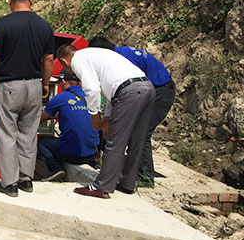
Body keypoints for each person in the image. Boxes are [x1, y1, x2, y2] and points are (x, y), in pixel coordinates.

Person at [0, 0, 54, 198]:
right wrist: (45, 84)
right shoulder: (44, 26)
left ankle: (9, 183)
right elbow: (48, 60)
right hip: (34, 85)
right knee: (28, 134)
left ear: (9, 1)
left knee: (8, 133)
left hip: (9, 87)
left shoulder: (3, 25)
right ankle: (26, 179)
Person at [56, 44, 154, 198]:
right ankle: (127, 183)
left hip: (128, 92)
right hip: (146, 87)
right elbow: (111, 91)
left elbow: (92, 89)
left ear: (63, 61)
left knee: (115, 141)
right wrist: (107, 117)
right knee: (137, 140)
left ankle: (100, 187)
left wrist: (94, 115)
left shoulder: (77, 60)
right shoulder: (96, 55)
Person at [88, 36, 175, 188]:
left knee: (142, 133)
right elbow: (115, 92)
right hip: (150, 90)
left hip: (160, 91)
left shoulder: (120, 59)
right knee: (131, 131)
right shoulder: (121, 54)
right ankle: (127, 173)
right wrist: (108, 117)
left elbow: (121, 90)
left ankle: (145, 177)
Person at [38, 69, 100, 181]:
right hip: (92, 152)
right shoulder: (89, 95)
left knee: (43, 143)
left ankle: (56, 169)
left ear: (63, 81)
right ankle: (93, 163)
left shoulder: (60, 98)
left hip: (72, 156)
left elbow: (39, 120)